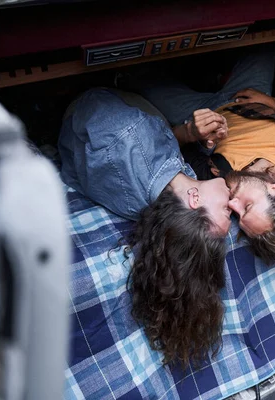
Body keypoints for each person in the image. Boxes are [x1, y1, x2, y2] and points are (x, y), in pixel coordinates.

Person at [58, 88, 232, 368]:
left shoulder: (128, 135)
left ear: (194, 200)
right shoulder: (160, 205)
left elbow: (93, 97)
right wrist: (188, 135)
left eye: (226, 210)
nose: (233, 204)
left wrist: (182, 131)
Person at [129, 50, 275, 279]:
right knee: (265, 38)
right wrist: (273, 103)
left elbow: (169, 143)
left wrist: (193, 134)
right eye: (247, 207)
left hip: (200, 110)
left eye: (238, 216)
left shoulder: (219, 180)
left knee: (135, 73)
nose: (233, 203)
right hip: (248, 99)